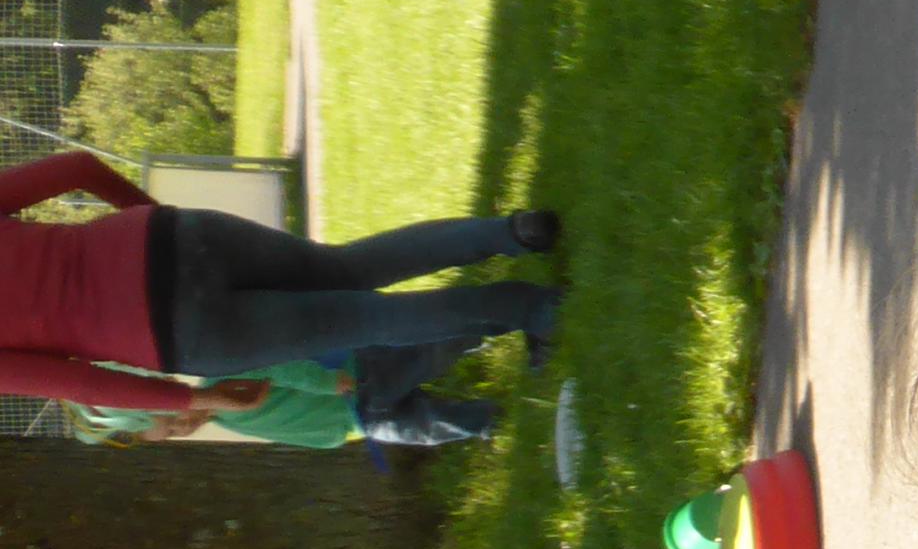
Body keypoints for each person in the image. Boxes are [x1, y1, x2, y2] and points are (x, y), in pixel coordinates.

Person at [0, 144, 556, 415]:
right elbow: (76, 168)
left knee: (370, 321)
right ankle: (514, 232)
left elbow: (80, 384)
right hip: (172, 239)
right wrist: (146, 219)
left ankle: (531, 308)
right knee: (348, 267)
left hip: (178, 330)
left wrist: (195, 401)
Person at [69, 339, 498, 451]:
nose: (182, 430)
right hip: (354, 420)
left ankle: (489, 325)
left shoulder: (218, 385)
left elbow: (277, 368)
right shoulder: (223, 415)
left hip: (354, 382)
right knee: (425, 426)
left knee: (426, 357)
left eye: (171, 424)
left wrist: (327, 382)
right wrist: (330, 436)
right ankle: (490, 420)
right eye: (173, 434)